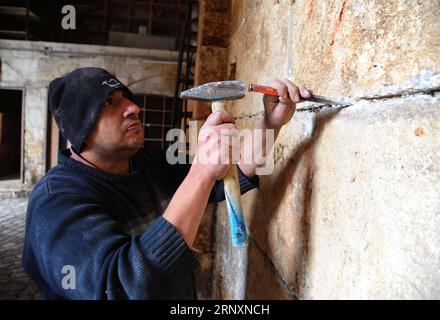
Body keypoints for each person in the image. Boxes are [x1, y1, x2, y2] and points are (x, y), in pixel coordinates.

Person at [22, 67, 312, 299]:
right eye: (110, 103)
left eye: (126, 97)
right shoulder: (56, 203)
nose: (133, 108)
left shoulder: (147, 164)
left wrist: (271, 124)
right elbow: (125, 287)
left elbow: (228, 176)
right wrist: (199, 172)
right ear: (80, 128)